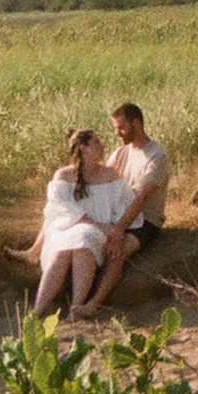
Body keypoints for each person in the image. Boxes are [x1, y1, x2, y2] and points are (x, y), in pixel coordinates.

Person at [3, 128, 133, 317]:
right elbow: (62, 211)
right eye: (97, 142)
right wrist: (98, 226)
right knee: (64, 248)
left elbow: (124, 207)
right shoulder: (63, 176)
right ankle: (38, 310)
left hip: (97, 233)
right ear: (84, 148)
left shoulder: (110, 175)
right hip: (67, 228)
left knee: (84, 241)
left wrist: (114, 232)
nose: (102, 146)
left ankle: (76, 307)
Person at [67, 102, 169, 319]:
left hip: (144, 220)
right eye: (115, 128)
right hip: (115, 215)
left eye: (121, 128)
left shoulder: (156, 156)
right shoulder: (120, 153)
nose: (117, 133)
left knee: (118, 251)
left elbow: (141, 199)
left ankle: (93, 304)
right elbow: (100, 178)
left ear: (137, 123)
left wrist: (118, 230)